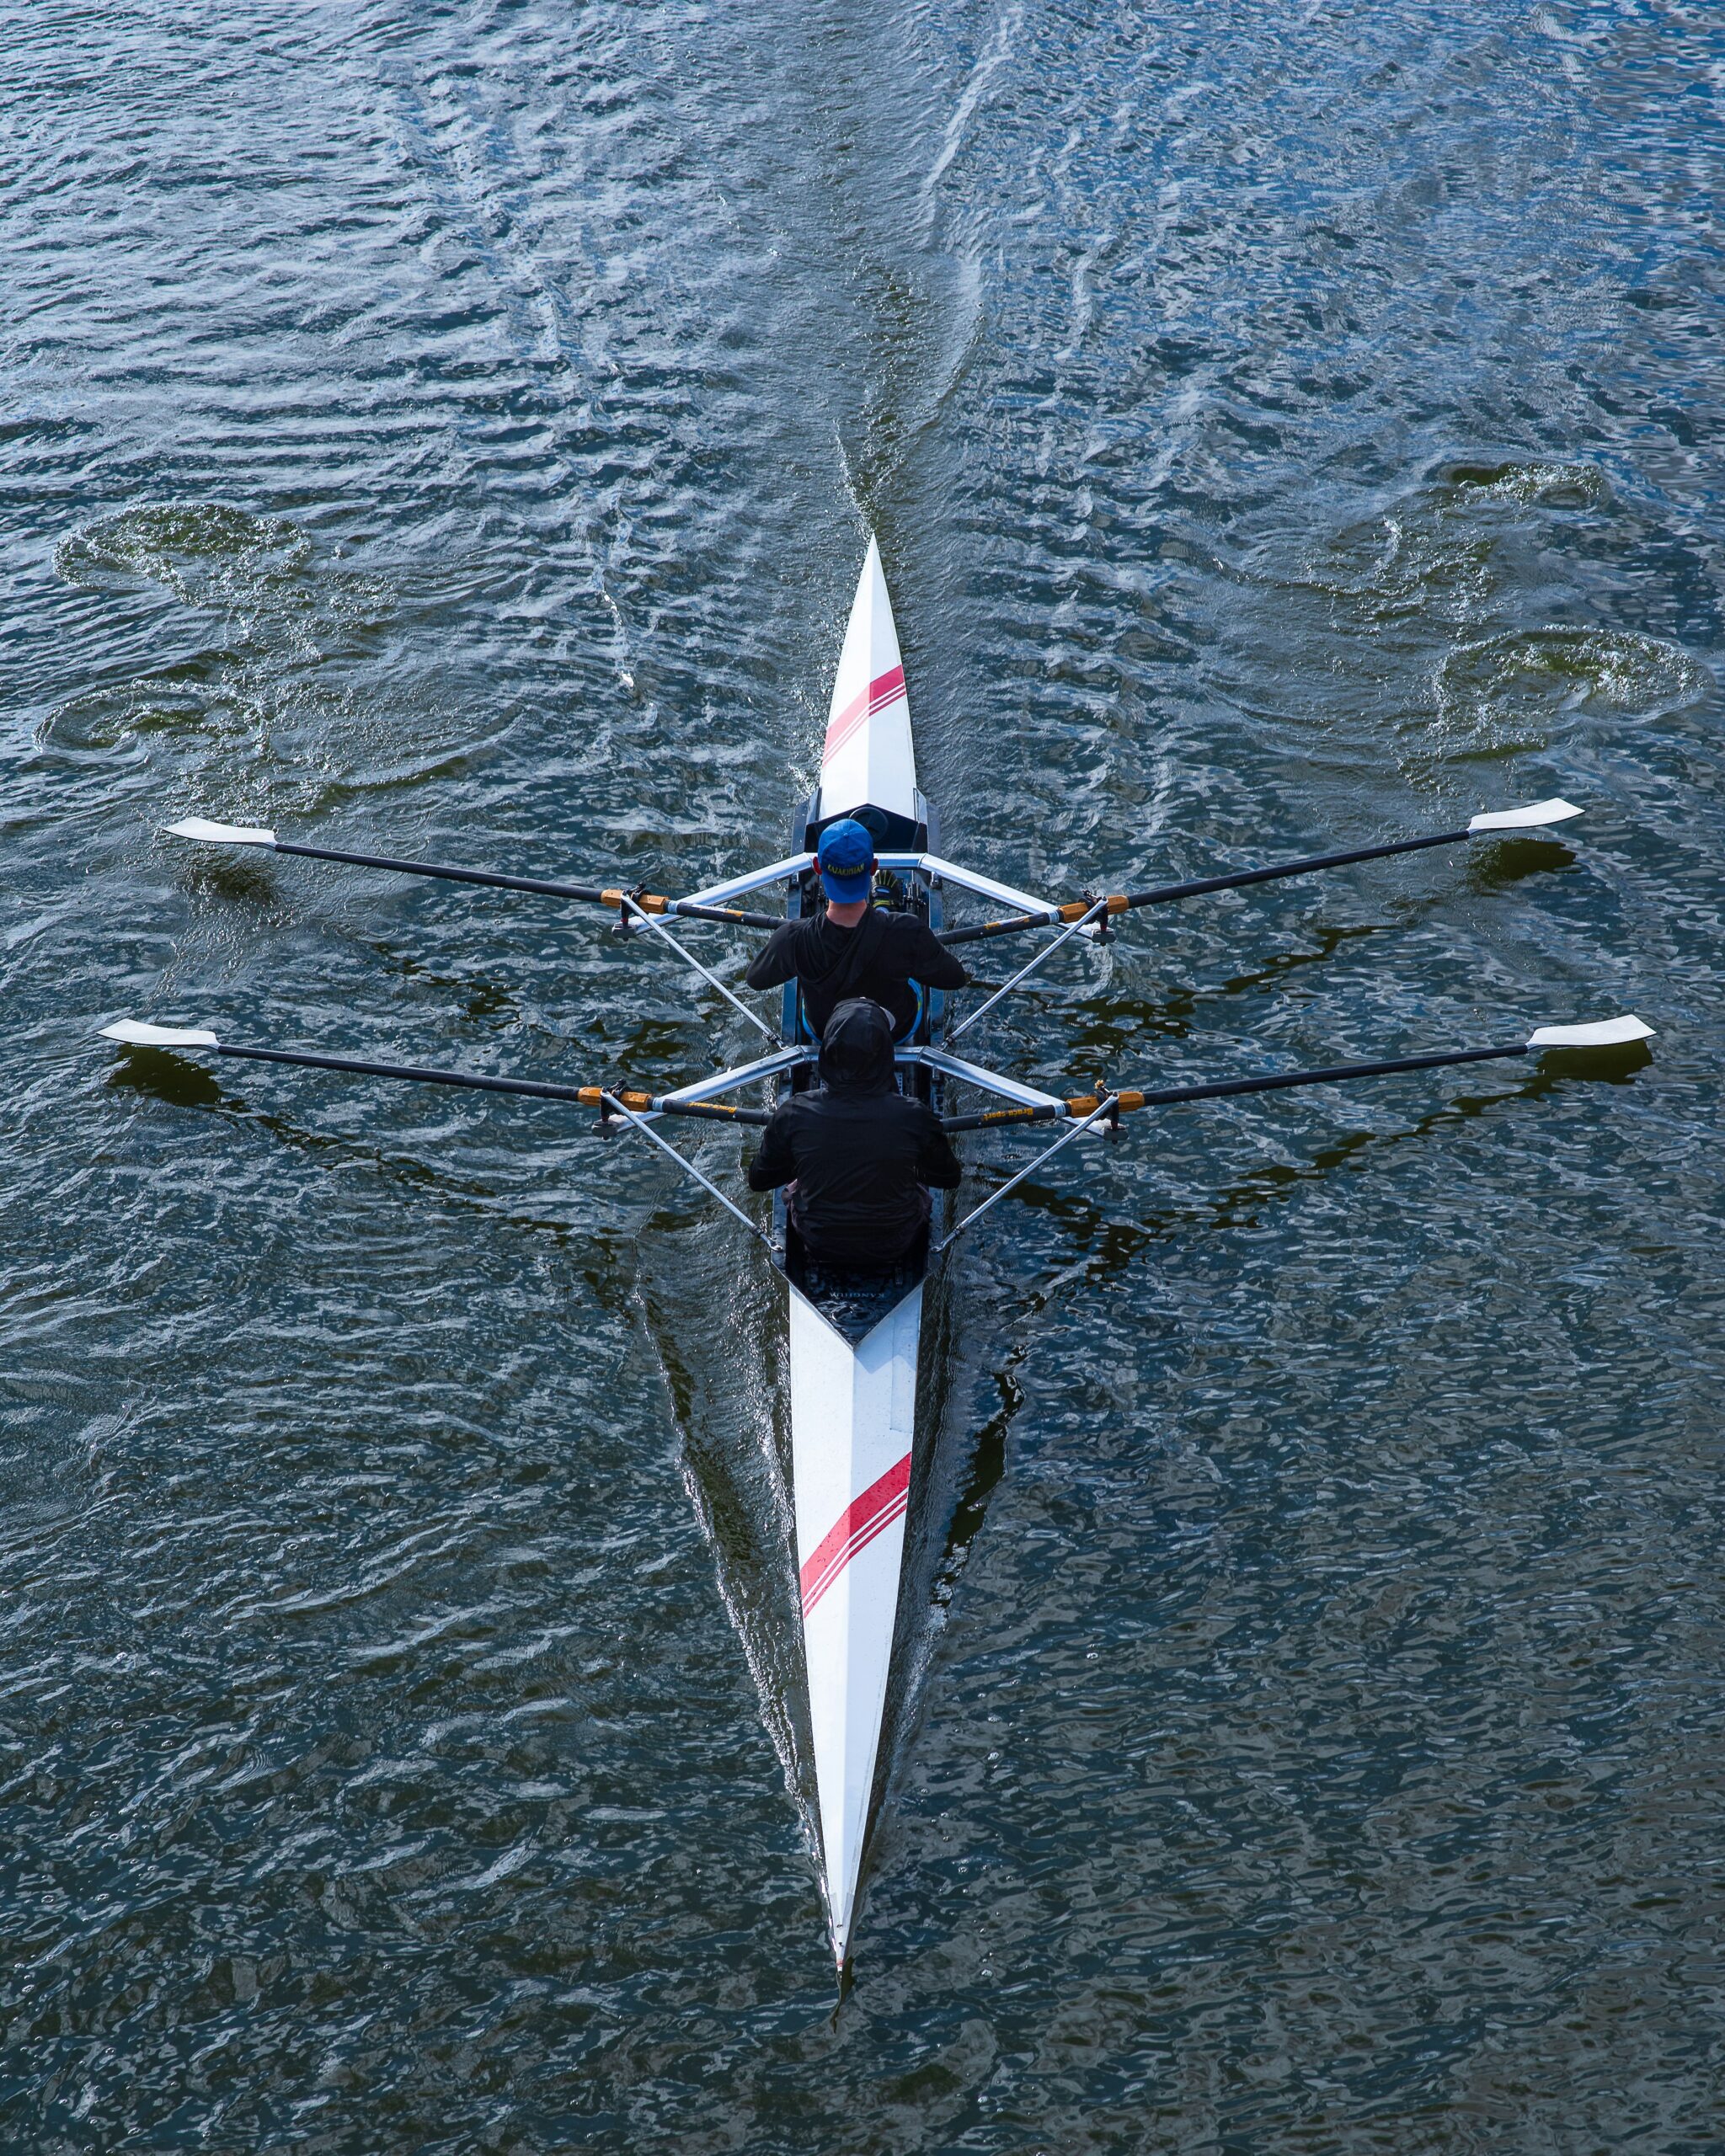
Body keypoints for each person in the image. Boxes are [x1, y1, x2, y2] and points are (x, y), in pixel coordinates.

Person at [746, 997, 961, 1268]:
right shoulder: (914, 1115)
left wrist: (808, 1159)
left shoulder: (793, 1113)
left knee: (796, 1186)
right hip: (895, 1241)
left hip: (818, 1240)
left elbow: (759, 1181)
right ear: (886, 1054)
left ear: (828, 1052)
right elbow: (948, 1178)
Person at [745, 816, 969, 1040]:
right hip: (894, 1030)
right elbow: (955, 978)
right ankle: (883, 908)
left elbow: (756, 979)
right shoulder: (908, 932)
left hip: (825, 1033)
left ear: (817, 867)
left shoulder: (792, 938)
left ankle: (882, 911)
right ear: (873, 867)